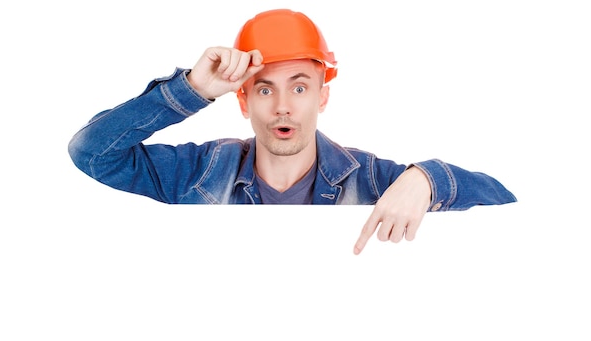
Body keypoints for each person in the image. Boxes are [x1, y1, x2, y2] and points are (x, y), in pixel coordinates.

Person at [68, 8, 516, 255]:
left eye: (299, 87)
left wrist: (426, 178)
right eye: (264, 89)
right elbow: (91, 152)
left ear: (322, 96)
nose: (283, 106)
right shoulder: (199, 172)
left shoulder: (374, 181)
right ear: (242, 101)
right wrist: (193, 89)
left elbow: (506, 203)